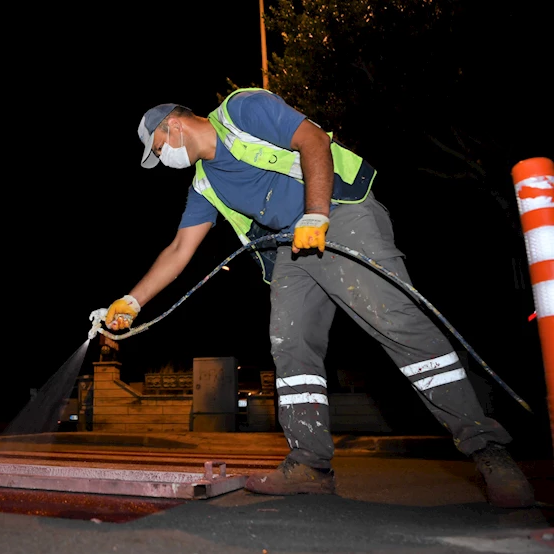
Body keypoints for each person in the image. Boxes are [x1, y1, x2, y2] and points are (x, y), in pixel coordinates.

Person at [99, 87, 535, 509]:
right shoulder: (204, 184)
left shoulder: (242, 110)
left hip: (339, 213)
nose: (162, 159)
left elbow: (312, 139)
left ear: (173, 126)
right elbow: (179, 249)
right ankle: (310, 465)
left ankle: (489, 450)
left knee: (397, 322)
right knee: (290, 344)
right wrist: (130, 302)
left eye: (157, 149)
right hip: (290, 246)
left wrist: (317, 212)